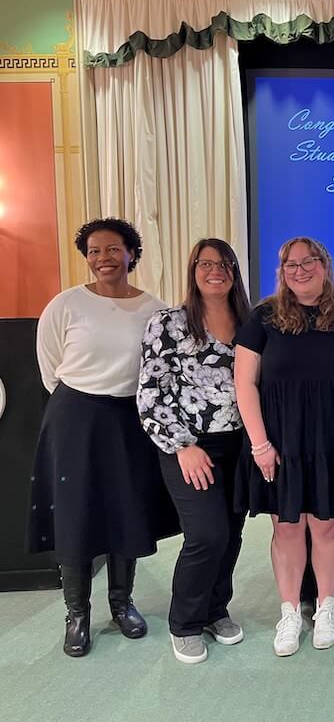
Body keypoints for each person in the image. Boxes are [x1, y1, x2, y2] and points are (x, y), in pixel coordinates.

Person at [29, 217, 177, 657]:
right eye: (94, 252)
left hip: (130, 418)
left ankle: (121, 603)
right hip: (74, 415)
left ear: (131, 254)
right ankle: (76, 614)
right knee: (75, 513)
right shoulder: (66, 304)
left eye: (112, 249)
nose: (103, 259)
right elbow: (49, 365)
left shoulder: (156, 309)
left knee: (125, 509)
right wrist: (82, 401)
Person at [234, 237, 334, 657]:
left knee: (328, 525)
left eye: (307, 261)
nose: (299, 270)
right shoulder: (263, 317)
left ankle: (326, 607)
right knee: (287, 525)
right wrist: (260, 444)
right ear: (281, 272)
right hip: (281, 440)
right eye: (289, 265)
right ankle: (289, 613)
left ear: (325, 263)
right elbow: (244, 383)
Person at [138, 239, 251, 664]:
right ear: (193, 270)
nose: (215, 271)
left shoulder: (251, 322)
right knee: (207, 534)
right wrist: (183, 446)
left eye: (224, 264)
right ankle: (184, 622)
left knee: (233, 534)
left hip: (240, 446)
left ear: (234, 272)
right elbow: (150, 395)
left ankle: (215, 609)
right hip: (188, 445)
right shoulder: (167, 323)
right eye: (206, 264)